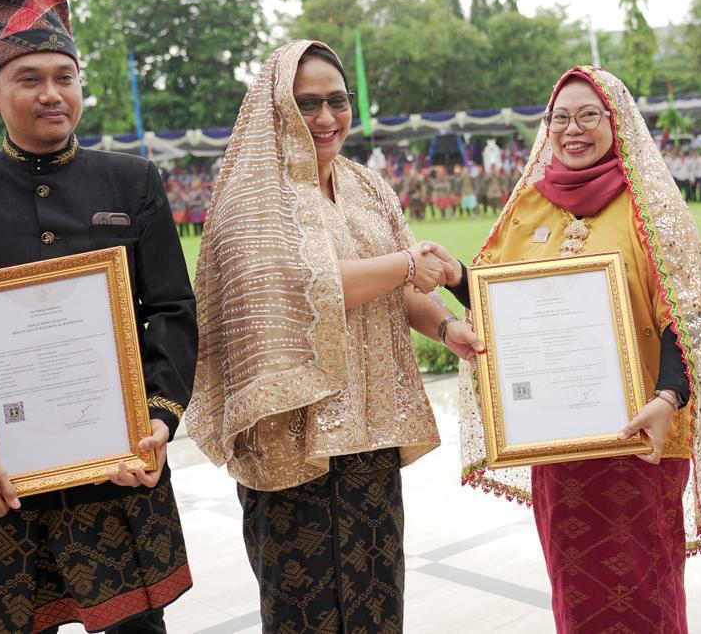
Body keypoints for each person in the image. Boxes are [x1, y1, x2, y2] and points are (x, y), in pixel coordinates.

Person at [0, 0, 196, 634]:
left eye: (64, 77)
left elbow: (172, 309)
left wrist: (158, 420)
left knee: (136, 628)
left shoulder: (132, 181)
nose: (51, 93)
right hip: (6, 475)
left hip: (118, 466)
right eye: (29, 79)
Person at [455, 65, 701, 633]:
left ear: (616, 121)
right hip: (556, 440)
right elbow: (498, 299)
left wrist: (668, 398)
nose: (573, 129)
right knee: (575, 592)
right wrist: (454, 276)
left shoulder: (649, 207)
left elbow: (687, 318)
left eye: (588, 116)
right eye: (560, 118)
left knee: (646, 589)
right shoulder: (528, 207)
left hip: (640, 436)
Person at [185, 40, 481, 634]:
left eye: (337, 101)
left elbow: (401, 286)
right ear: (277, 107)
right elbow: (302, 288)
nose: (325, 117)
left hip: (370, 433)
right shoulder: (254, 198)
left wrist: (446, 326)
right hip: (292, 441)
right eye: (307, 103)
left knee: (377, 603)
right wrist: (405, 263)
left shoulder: (366, 185)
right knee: (306, 611)